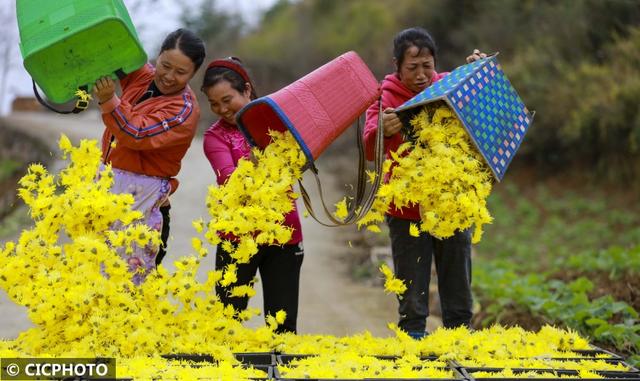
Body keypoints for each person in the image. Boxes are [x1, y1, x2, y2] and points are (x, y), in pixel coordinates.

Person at [364, 27, 486, 339]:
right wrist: (384, 132)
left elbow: (481, 102)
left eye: (427, 66)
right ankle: (413, 343)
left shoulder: (449, 86)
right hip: (407, 211)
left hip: (452, 205)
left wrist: (478, 69)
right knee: (412, 292)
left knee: (458, 285)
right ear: (396, 66)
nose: (421, 75)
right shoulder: (383, 98)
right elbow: (368, 146)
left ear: (435, 63)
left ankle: (459, 340)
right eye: (412, 68)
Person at [93, 28, 206, 283]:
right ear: (158, 56)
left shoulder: (183, 110)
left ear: (193, 74)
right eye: (165, 66)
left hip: (141, 206)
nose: (168, 76)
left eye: (180, 72)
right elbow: (118, 52)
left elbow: (136, 133)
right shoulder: (142, 77)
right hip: (107, 193)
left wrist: (109, 100)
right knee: (93, 278)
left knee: (128, 287)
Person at [201, 57, 304, 333]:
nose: (222, 109)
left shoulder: (279, 122)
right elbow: (229, 179)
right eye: (214, 104)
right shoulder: (215, 137)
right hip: (237, 237)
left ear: (246, 90)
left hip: (283, 233)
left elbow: (302, 157)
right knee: (226, 324)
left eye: (227, 99)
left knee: (283, 327)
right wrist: (260, 164)